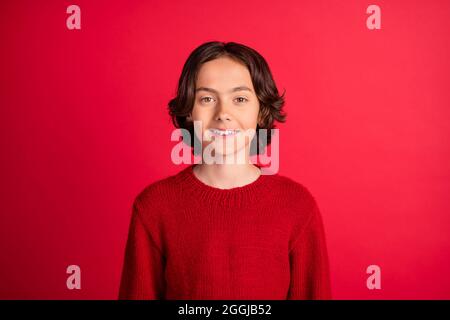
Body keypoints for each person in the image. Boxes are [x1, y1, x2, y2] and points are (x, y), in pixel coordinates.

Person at [118, 41, 332, 300]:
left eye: (239, 99)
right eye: (207, 99)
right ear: (188, 112)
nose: (223, 113)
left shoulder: (297, 206)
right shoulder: (153, 207)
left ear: (262, 112)